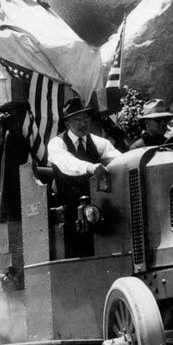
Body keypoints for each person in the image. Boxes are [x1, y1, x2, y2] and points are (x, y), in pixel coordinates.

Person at [48, 98, 121, 257]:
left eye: (85, 119)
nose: (82, 124)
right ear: (67, 124)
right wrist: (90, 167)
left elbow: (117, 158)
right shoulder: (56, 144)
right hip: (70, 211)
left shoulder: (98, 142)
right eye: (77, 120)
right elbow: (67, 163)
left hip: (97, 206)